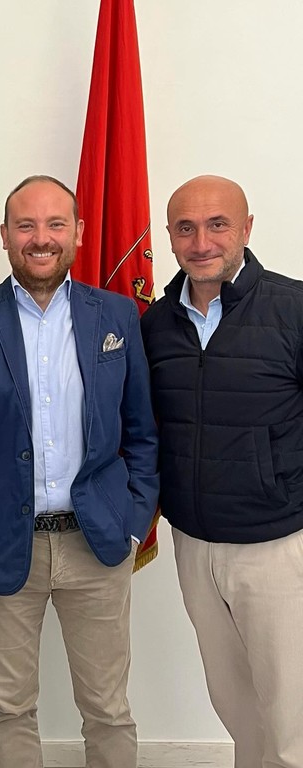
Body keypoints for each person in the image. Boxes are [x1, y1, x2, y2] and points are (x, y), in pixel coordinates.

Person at [0, 175, 159, 768]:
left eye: (55, 224)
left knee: (108, 708)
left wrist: (133, 523)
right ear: (4, 235)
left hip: (97, 543)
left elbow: (142, 433)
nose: (41, 238)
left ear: (77, 233)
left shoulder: (118, 316)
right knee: (10, 707)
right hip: (1, 546)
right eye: (25, 225)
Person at [141, 175, 303, 768]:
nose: (201, 242)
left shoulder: (293, 308)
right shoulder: (156, 323)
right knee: (236, 704)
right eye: (185, 228)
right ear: (169, 236)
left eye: (217, 225)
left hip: (277, 544)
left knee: (292, 715)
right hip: (195, 543)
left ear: (247, 229)